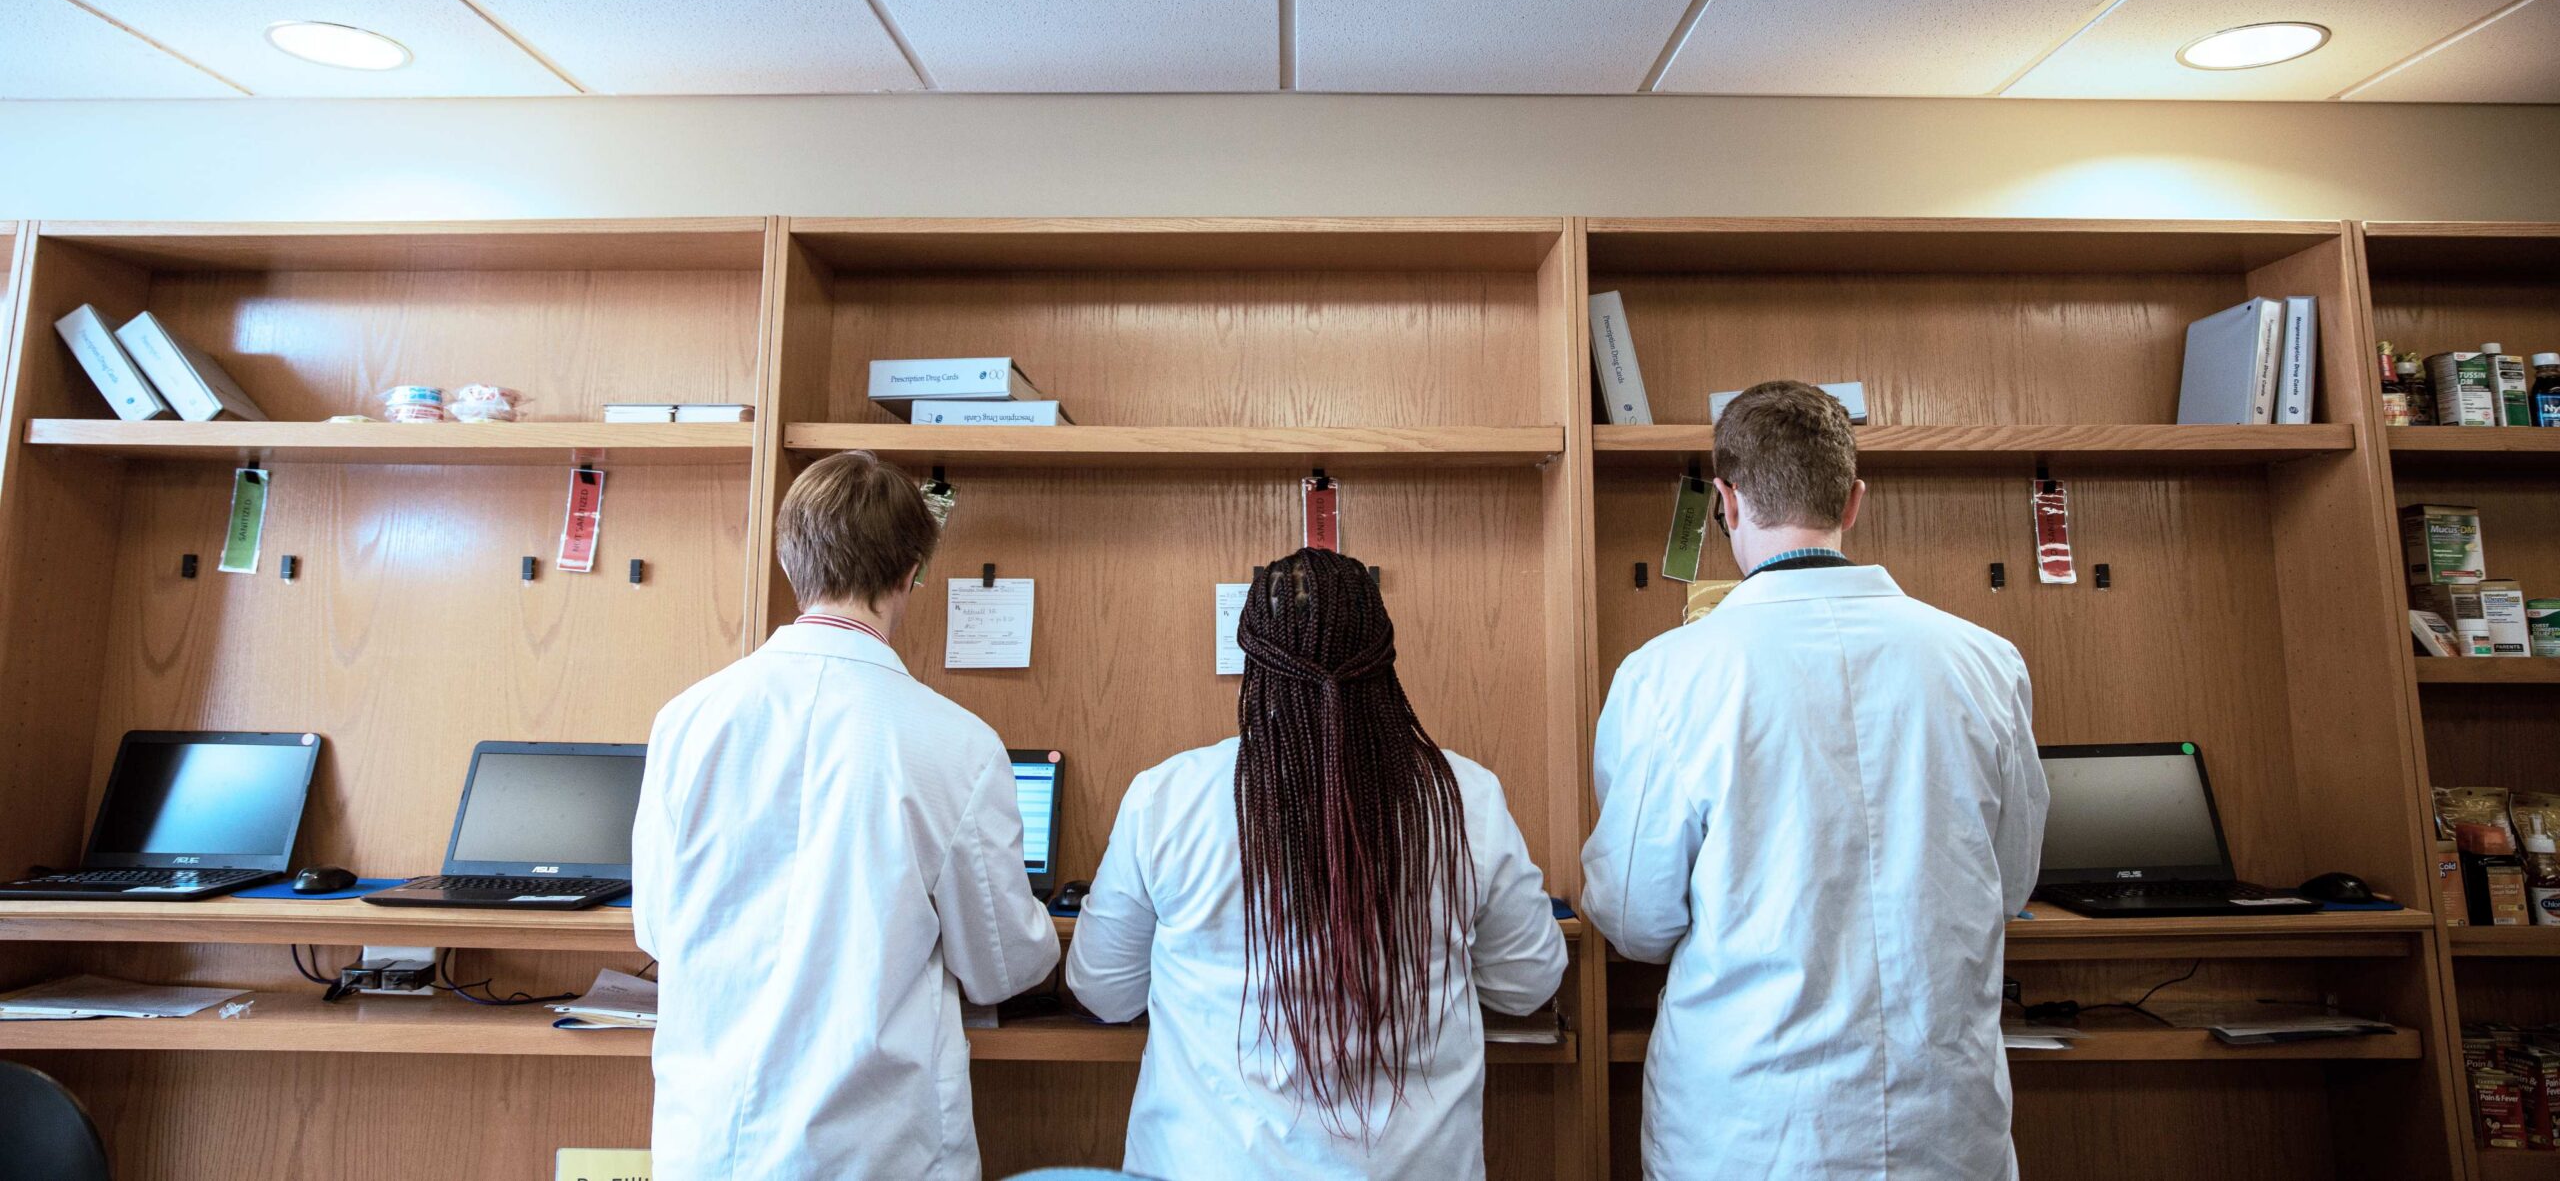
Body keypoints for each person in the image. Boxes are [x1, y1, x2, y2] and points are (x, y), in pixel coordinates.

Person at [1582, 381, 2046, 1181]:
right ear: (1853, 500)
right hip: (1944, 1127)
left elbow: (1636, 919)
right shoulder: (1984, 662)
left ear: (1726, 501)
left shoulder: (1669, 675)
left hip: (1752, 1131)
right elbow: (2010, 882)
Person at [1065, 547, 1568, 1180]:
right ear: (1384, 661)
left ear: (1254, 666)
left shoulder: (1166, 798)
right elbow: (1528, 985)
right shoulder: (1464, 798)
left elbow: (1104, 991)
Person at [634, 451, 1059, 1181]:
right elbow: (1001, 966)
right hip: (877, 1148)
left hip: (710, 1143)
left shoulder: (686, 720)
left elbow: (657, 929)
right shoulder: (958, 744)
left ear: (788, 561)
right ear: (911, 574)